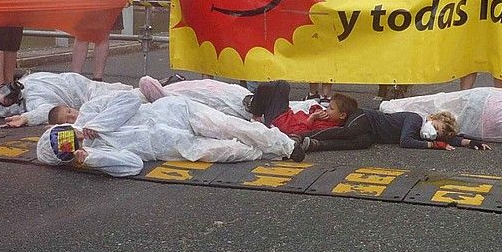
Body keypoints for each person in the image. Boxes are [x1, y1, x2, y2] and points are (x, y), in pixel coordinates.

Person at [36, 91, 305, 176]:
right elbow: (133, 165)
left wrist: (100, 125)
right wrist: (91, 158)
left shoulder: (90, 113)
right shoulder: (94, 154)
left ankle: (286, 146)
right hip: (173, 145)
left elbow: (130, 100)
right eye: (69, 146)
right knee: (232, 151)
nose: (76, 140)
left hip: (177, 112)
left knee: (233, 127)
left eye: (68, 134)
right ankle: (268, 151)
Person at [0, 70, 132, 123]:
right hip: (80, 87)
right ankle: (150, 91)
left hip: (82, 90)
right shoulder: (27, 91)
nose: (6, 92)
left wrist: (25, 118)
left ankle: (152, 92)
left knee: (124, 96)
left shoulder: (30, 96)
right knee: (123, 94)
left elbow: (46, 111)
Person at [298, 105, 489, 154]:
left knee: (360, 143)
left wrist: (471, 141)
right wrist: (434, 144)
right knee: (349, 132)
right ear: (431, 118)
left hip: (373, 133)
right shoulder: (415, 120)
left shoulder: (423, 133)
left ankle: (316, 145)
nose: (433, 133)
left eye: (438, 133)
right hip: (366, 117)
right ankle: (300, 136)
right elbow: (405, 142)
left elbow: (452, 139)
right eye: (436, 127)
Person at [244, 79, 348, 134]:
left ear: (342, 115)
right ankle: (255, 103)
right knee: (280, 86)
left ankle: (255, 113)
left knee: (278, 85)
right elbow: (312, 110)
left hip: (281, 121)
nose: (327, 109)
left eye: (331, 109)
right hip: (286, 115)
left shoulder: (327, 127)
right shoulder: (327, 117)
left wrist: (312, 118)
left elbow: (303, 132)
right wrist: (316, 110)